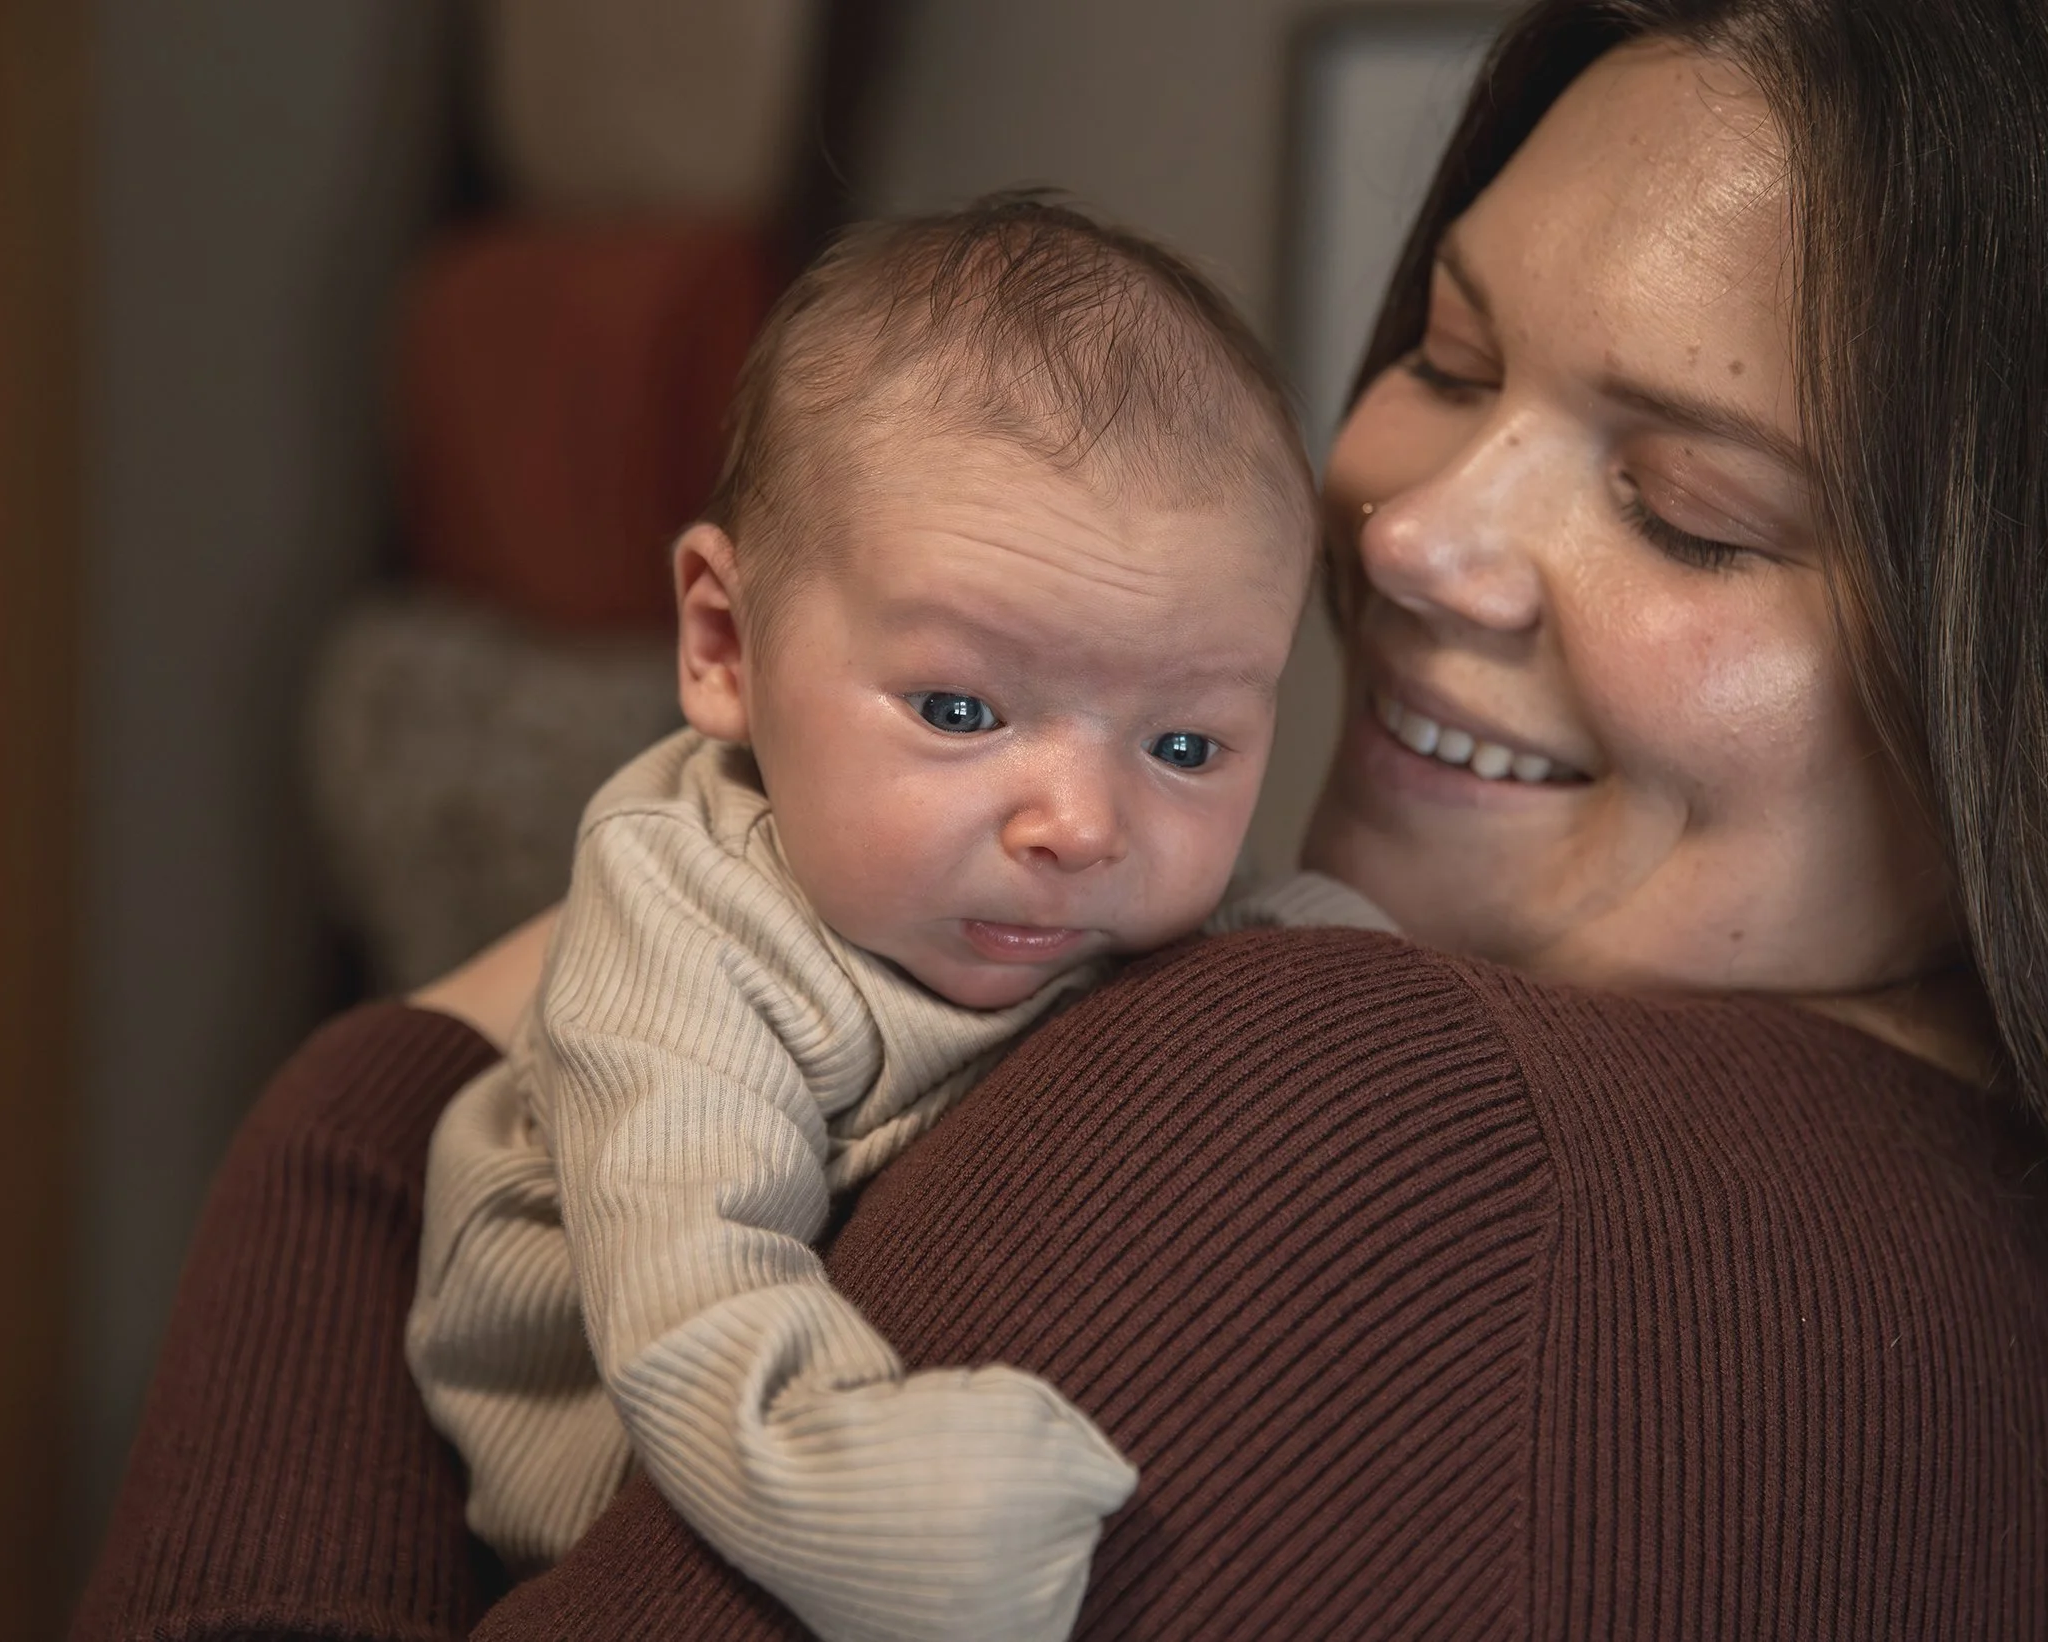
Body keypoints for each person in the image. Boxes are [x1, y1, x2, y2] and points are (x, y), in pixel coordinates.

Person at [74, 1, 2048, 1638]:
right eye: (1448, 358)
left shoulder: (1340, 1116)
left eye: (1690, 511)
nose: (1407, 537)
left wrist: (364, 1127)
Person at [402, 198, 1385, 1642]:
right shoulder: (692, 920)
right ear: (724, 646)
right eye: (960, 709)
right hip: (606, 1428)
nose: (1083, 824)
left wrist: (1377, 983)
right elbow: (694, 1300)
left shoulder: (1074, 890)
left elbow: (1278, 957)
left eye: (1186, 745)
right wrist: (900, 1505)